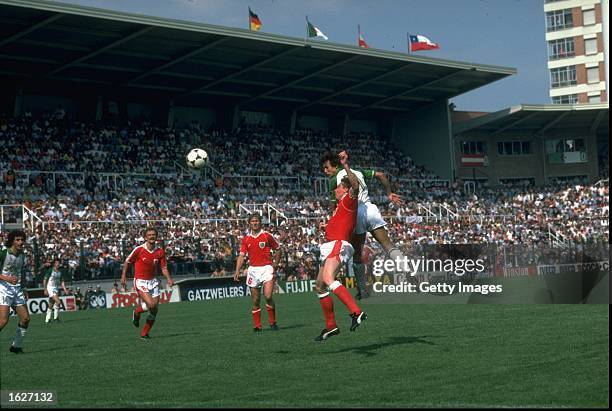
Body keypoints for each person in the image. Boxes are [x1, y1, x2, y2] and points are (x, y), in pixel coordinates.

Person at [321, 151, 405, 299]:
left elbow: (334, 207)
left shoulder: (334, 180)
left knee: (358, 256)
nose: (325, 171)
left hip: (355, 213)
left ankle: (362, 290)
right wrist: (389, 193)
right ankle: (410, 271)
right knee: (388, 245)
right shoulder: (358, 171)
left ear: (334, 166)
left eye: (327, 167)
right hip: (371, 209)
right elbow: (381, 175)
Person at [315, 151, 366, 342]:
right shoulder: (339, 208)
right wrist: (325, 226)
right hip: (331, 245)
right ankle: (331, 326)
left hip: (338, 245)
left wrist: (345, 165)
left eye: (337, 188)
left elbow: (355, 185)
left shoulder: (349, 200)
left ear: (344, 189)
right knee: (319, 286)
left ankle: (356, 312)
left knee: (328, 278)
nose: (334, 190)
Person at [121, 228, 174, 340]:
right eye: (149, 235)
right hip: (140, 281)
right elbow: (127, 262)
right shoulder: (139, 250)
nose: (151, 236)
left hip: (153, 281)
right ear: (145, 237)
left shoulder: (160, 251)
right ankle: (136, 312)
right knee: (151, 305)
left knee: (155, 309)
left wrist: (169, 278)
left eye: (153, 234)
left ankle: (144, 333)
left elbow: (163, 267)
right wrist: (123, 277)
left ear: (156, 236)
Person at [233, 214, 281, 332]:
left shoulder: (266, 236)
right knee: (255, 300)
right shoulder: (246, 239)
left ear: (260, 222)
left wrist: (275, 264)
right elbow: (241, 256)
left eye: (257, 221)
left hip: (266, 268)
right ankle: (257, 326)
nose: (255, 223)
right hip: (253, 270)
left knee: (268, 296)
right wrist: (237, 271)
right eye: (253, 221)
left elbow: (278, 249)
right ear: (249, 223)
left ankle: (272, 322)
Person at [0, 231, 30, 354]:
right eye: (17, 240)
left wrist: (24, 288)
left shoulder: (22, 255)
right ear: (12, 241)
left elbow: (21, 273)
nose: (20, 242)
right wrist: (6, 278)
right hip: (4, 289)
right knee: (3, 321)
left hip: (17, 289)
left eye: (22, 240)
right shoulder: (3, 253)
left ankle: (16, 347)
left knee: (25, 318)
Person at [43, 259, 68, 323]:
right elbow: (45, 280)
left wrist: (65, 289)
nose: (58, 264)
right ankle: (56, 318)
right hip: (50, 288)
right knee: (58, 302)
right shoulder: (50, 270)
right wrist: (45, 289)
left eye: (59, 263)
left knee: (51, 303)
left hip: (56, 288)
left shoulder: (60, 271)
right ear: (54, 264)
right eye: (57, 263)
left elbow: (62, 281)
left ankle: (47, 319)